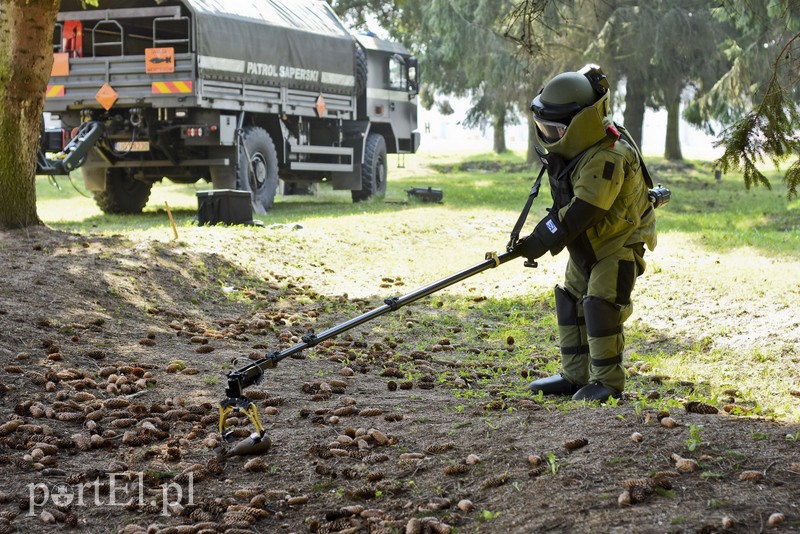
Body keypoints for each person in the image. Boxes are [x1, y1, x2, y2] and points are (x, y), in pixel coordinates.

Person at [516, 64, 657, 401]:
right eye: (543, 128)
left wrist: (539, 239)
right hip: (586, 244)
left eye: (555, 129)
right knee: (571, 302)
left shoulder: (607, 156)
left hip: (618, 245)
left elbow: (582, 211)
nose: (548, 136)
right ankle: (575, 375)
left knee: (600, 305)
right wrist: (538, 238)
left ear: (580, 124)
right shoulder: (580, 151)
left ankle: (607, 382)